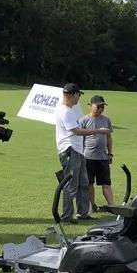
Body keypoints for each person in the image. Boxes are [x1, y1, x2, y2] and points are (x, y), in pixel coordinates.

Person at [55, 83, 110, 223]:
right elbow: (77, 131)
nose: (79, 98)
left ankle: (83, 213)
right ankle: (67, 217)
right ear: (73, 95)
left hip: (77, 151)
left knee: (83, 183)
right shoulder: (66, 111)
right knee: (71, 185)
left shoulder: (68, 110)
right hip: (70, 150)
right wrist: (98, 131)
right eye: (78, 95)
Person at [79, 95, 114, 211]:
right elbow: (79, 139)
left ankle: (112, 206)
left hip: (103, 158)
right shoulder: (83, 120)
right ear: (91, 105)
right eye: (98, 106)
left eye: (102, 106)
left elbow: (109, 137)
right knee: (89, 183)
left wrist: (110, 153)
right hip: (88, 157)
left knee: (106, 183)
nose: (101, 109)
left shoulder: (106, 120)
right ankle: (92, 205)